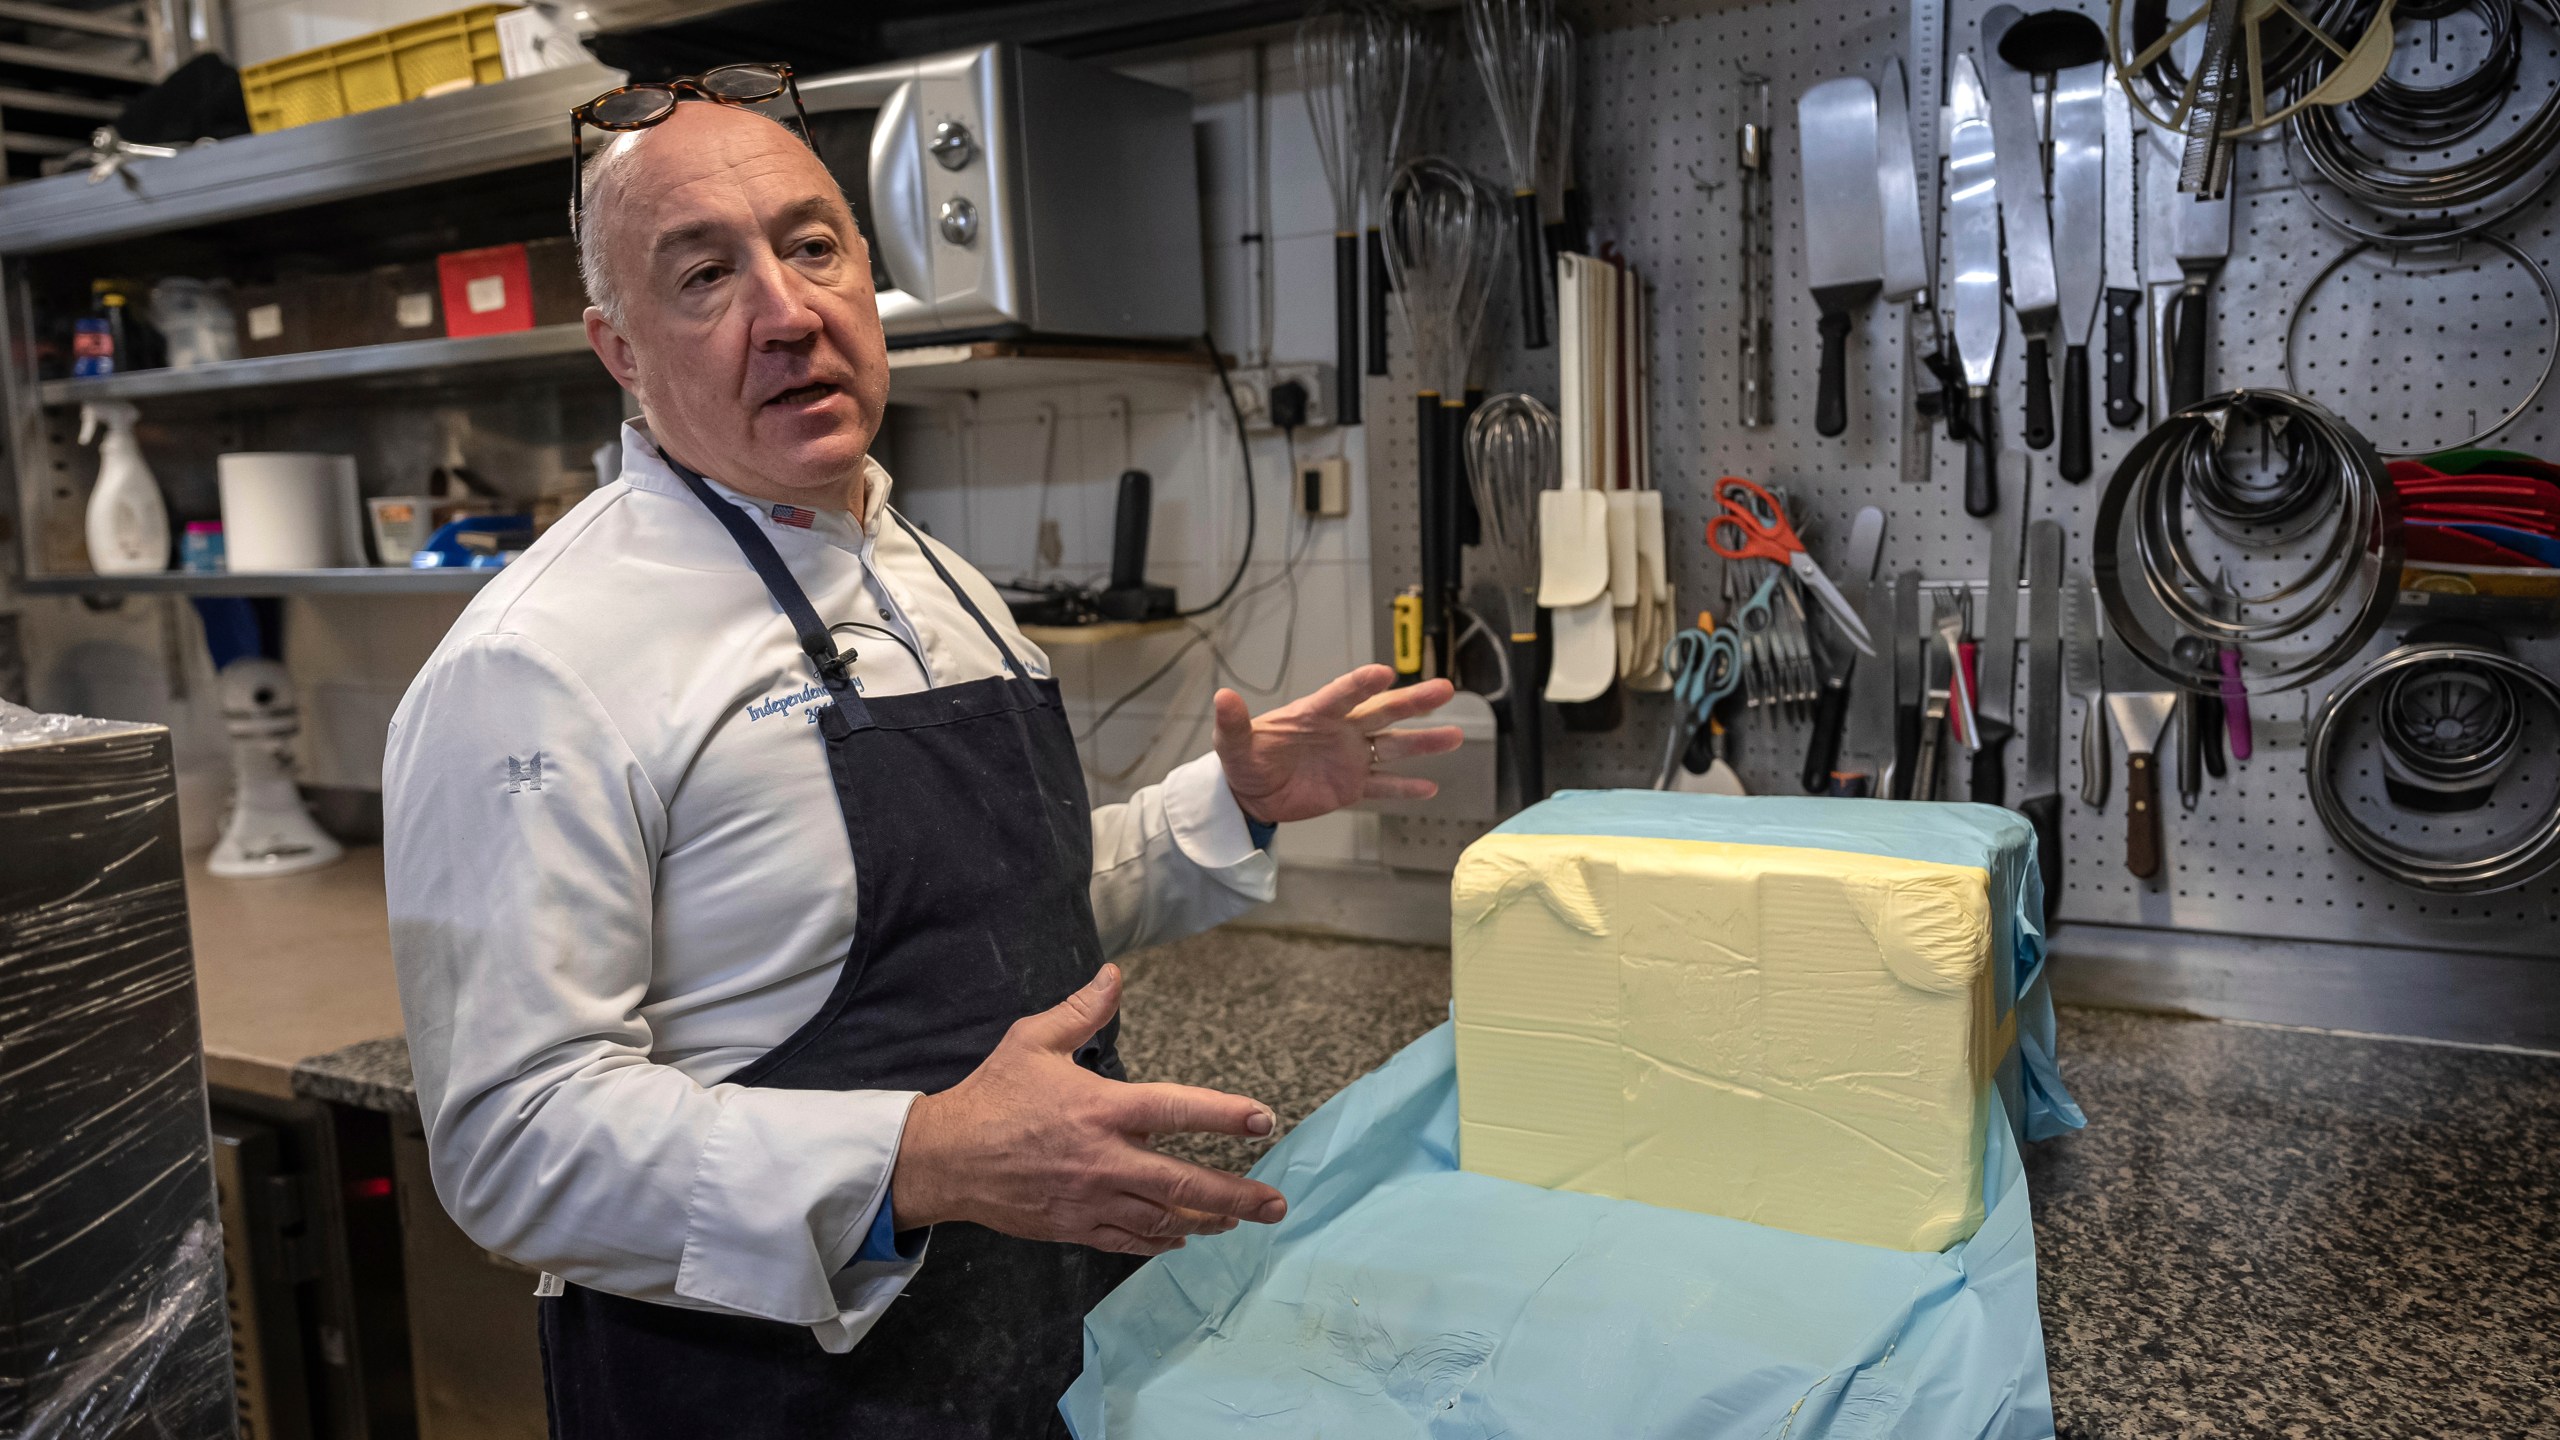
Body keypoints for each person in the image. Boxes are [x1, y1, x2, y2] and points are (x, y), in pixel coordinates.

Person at [382, 73, 1463, 1439]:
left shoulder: (932, 572)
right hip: (762, 1394)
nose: (787, 312)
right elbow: (513, 1142)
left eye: (813, 245)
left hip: (1029, 1341)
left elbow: (1002, 917)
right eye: (707, 275)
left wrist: (1231, 808)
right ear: (619, 348)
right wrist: (919, 1158)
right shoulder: (535, 668)